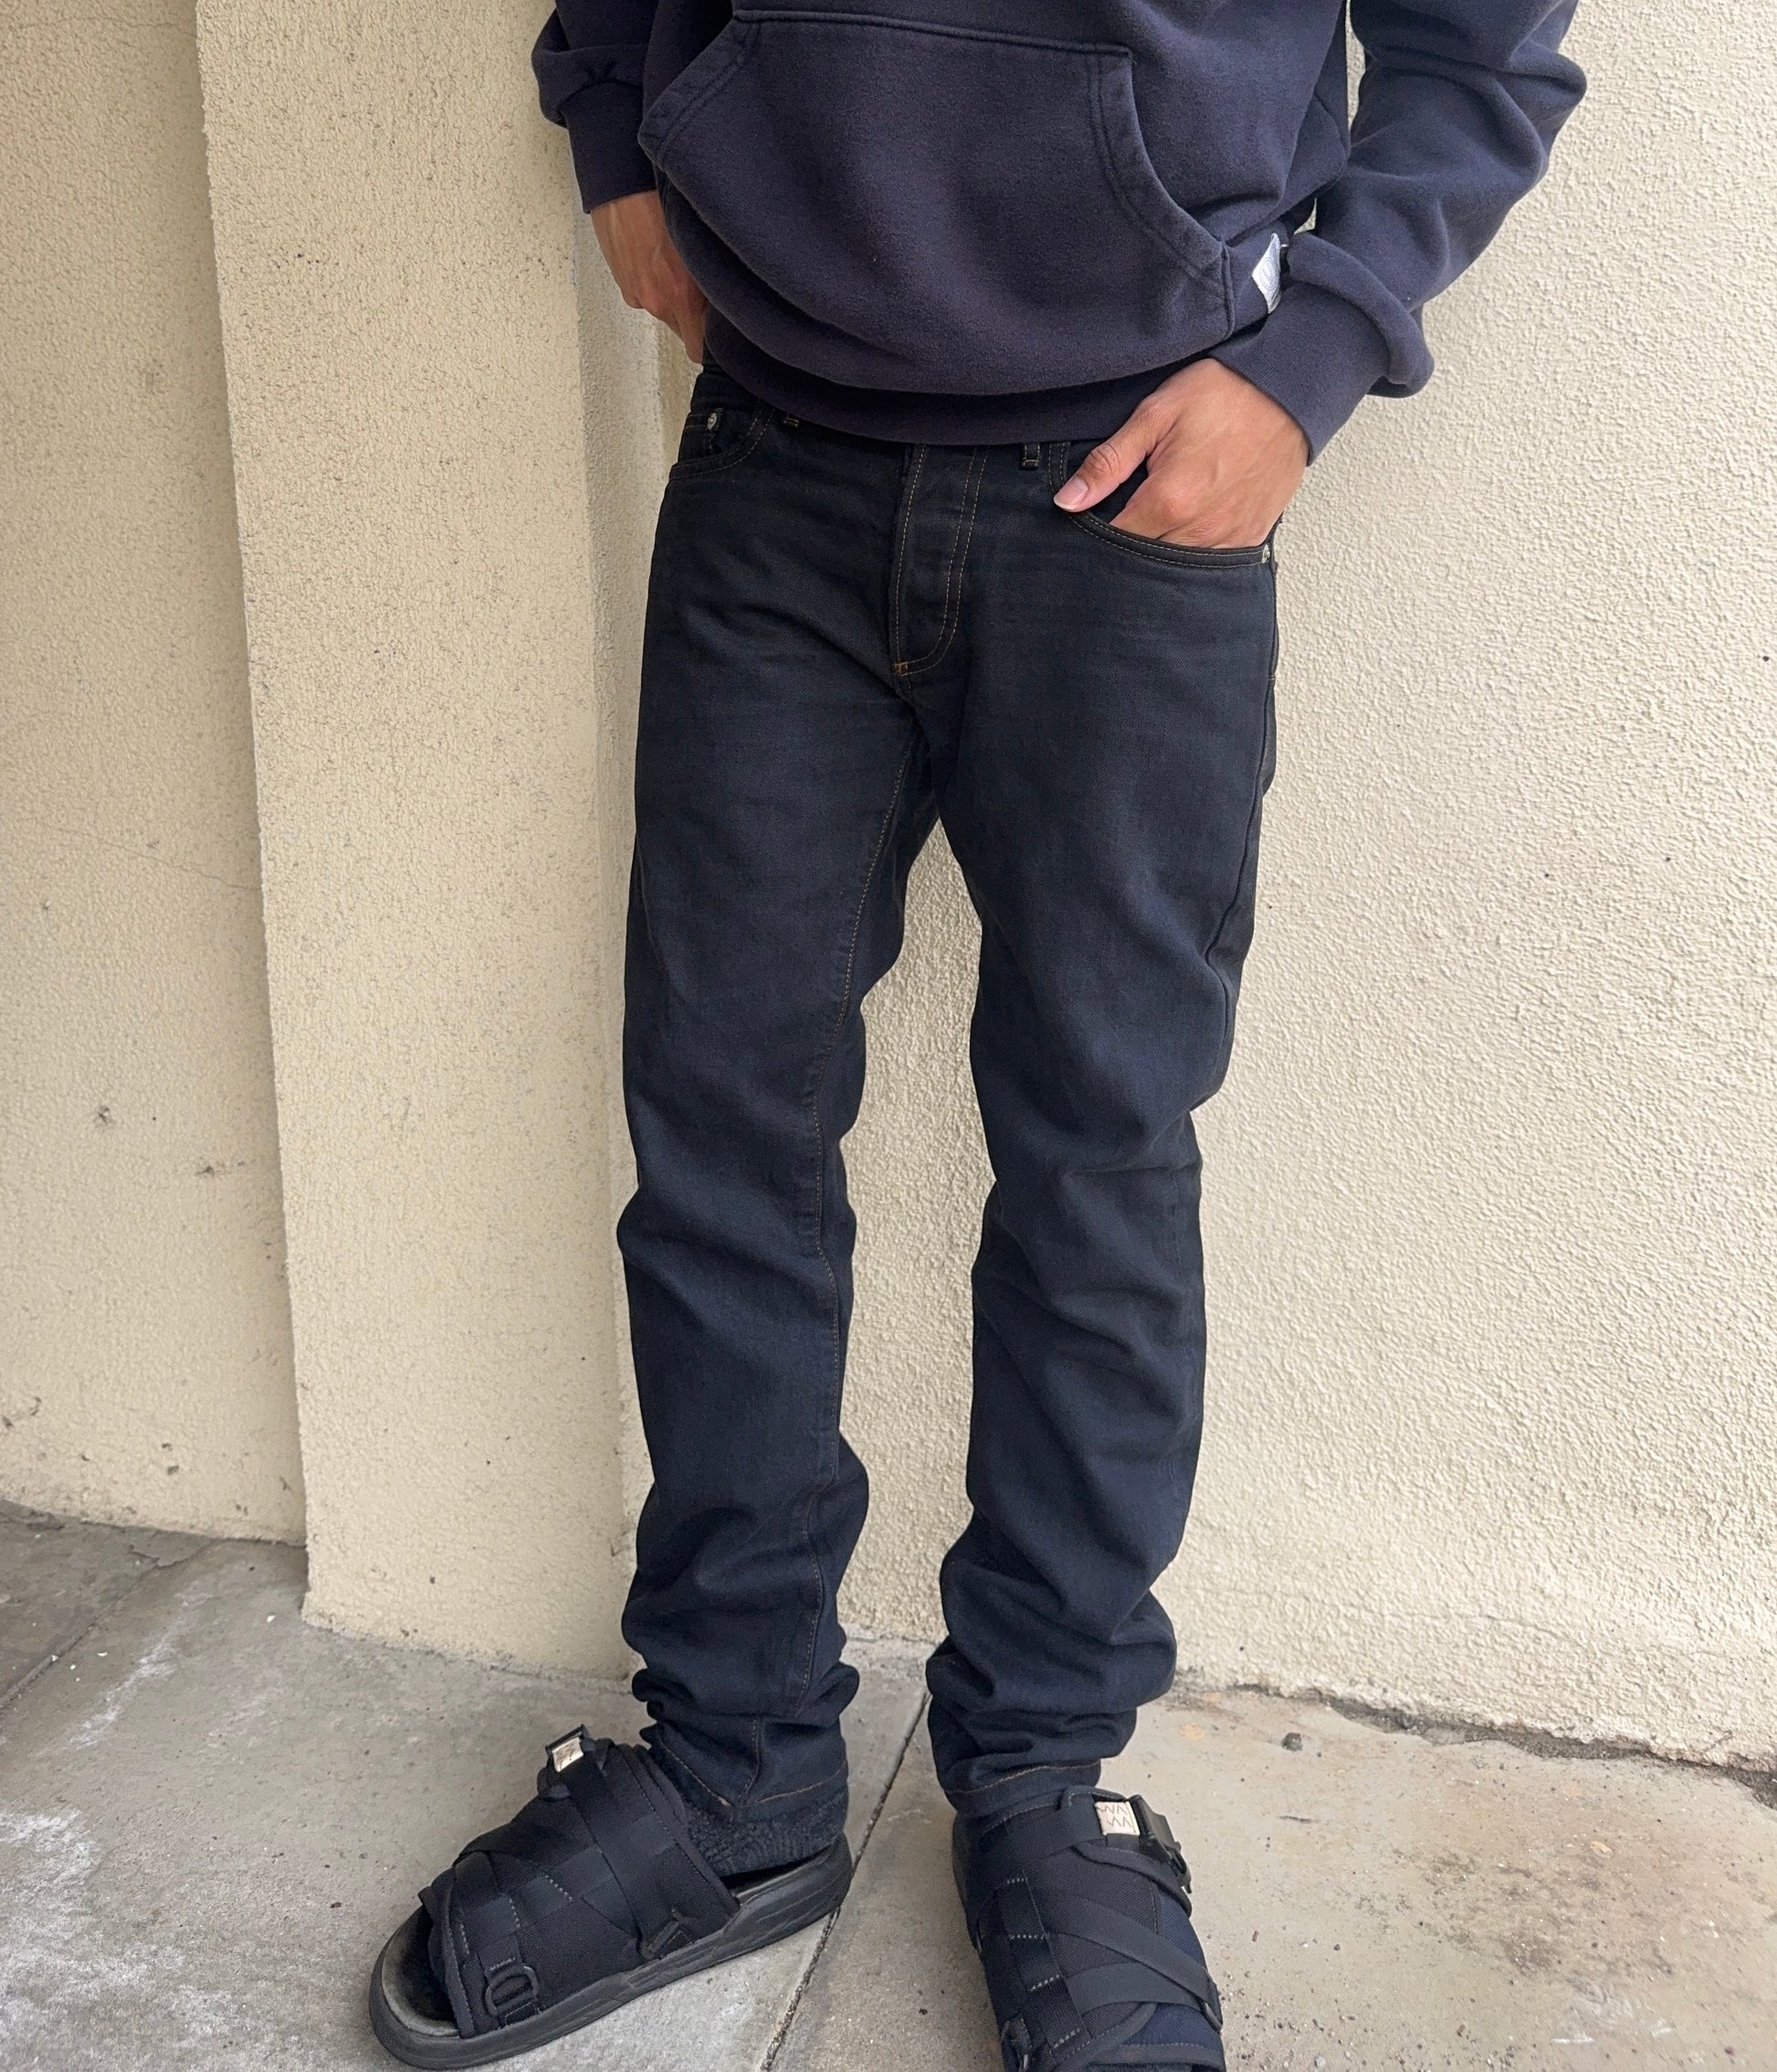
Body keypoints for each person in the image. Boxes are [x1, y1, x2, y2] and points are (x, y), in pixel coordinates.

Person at [369, 5, 1583, 2065]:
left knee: (1097, 1160)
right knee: (722, 1134)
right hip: (773, 461)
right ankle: (736, 1762)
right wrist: (617, 125)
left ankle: (1042, 1776)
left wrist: (1310, 356)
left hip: (1140, 488)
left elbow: (1488, 48)